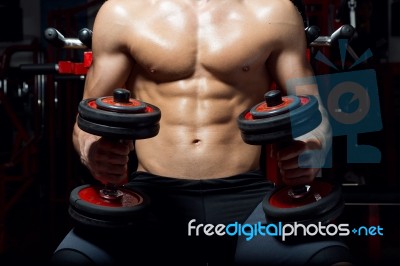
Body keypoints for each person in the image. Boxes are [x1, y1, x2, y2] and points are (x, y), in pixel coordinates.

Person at [51, 0, 354, 265]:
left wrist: (312, 149)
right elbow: (85, 120)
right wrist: (91, 152)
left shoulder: (274, 11)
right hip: (149, 203)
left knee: (332, 261)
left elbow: (315, 115)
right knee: (71, 259)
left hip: (249, 202)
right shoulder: (122, 12)